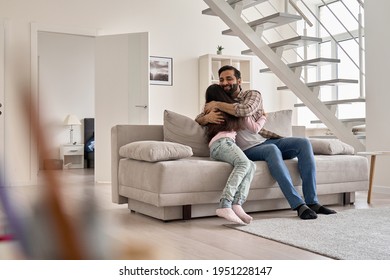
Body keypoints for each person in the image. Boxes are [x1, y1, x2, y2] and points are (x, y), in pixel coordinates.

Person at [196, 65, 336, 220]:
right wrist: (206, 117)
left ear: (239, 80)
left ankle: (312, 201)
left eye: (229, 78)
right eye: (221, 79)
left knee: (303, 143)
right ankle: (298, 204)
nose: (224, 82)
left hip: (265, 140)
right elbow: (199, 118)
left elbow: (245, 110)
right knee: (271, 150)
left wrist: (217, 104)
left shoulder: (252, 94)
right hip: (248, 149)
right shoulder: (219, 99)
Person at [203, 84, 266, 225]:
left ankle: (237, 204)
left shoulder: (210, 109)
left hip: (219, 145)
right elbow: (255, 128)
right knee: (244, 163)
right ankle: (225, 204)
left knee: (251, 165)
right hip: (222, 143)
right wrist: (262, 117)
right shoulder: (230, 109)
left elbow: (200, 118)